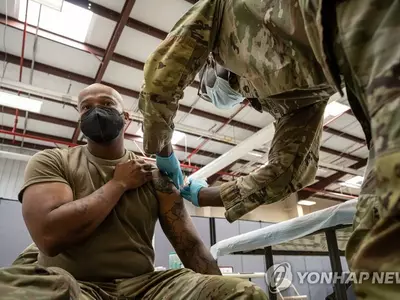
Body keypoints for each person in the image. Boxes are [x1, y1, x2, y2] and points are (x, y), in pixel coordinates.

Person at [139, 0, 400, 299]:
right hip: (351, 64)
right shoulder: (296, 97)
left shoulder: (222, 7)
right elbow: (288, 170)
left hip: (363, 16)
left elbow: (162, 76)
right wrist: (206, 194)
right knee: (376, 232)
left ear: (213, 62)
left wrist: (161, 150)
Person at [0, 83, 267, 300]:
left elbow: (189, 244)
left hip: (144, 287)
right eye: (86, 107)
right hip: (76, 287)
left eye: (106, 104)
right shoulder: (53, 161)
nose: (96, 111)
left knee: (243, 293)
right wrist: (118, 184)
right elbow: (49, 235)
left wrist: (216, 291)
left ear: (125, 117)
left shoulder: (156, 176)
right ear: (80, 117)